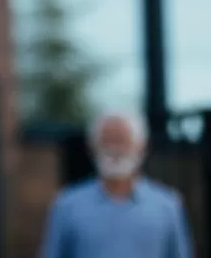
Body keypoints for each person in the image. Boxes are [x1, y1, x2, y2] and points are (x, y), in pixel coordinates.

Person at [38, 110, 193, 258]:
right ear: (92, 146)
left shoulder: (168, 206)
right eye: (108, 141)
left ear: (141, 146)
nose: (115, 148)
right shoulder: (67, 205)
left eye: (122, 140)